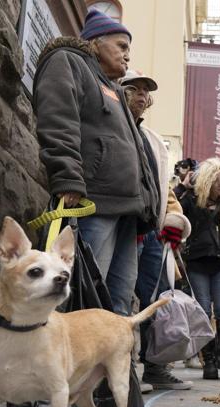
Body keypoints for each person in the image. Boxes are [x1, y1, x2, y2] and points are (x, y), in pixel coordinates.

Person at [34, 9, 159, 317]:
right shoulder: (68, 62)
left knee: (118, 303)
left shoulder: (116, 90)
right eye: (121, 46)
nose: (128, 56)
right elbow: (58, 119)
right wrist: (67, 177)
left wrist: (147, 203)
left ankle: (112, 365)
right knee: (84, 295)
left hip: (127, 211)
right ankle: (71, 363)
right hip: (93, 202)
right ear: (95, 41)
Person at [121, 69, 193, 391]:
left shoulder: (153, 141)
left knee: (158, 298)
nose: (141, 96)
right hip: (124, 224)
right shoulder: (114, 125)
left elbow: (165, 188)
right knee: (119, 295)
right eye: (133, 89)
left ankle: (155, 366)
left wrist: (174, 220)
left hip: (152, 231)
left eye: (145, 92)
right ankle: (118, 369)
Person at [175, 158, 220, 380]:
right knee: (203, 311)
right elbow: (171, 206)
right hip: (197, 263)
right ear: (206, 181)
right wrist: (183, 186)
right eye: (217, 178)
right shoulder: (192, 203)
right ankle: (209, 361)